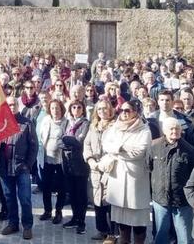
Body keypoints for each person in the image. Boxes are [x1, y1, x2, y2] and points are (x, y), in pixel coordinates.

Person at [101, 99, 151, 244]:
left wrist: (117, 149)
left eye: (127, 110)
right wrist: (122, 147)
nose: (123, 113)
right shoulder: (115, 127)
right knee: (121, 219)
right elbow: (106, 145)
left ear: (135, 112)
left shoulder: (144, 130)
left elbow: (138, 153)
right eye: (121, 110)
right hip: (117, 177)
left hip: (135, 179)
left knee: (138, 219)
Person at [147, 117, 194, 244]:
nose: (174, 131)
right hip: (160, 199)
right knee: (161, 234)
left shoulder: (189, 150)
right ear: (164, 130)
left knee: (185, 236)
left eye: (177, 128)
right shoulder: (154, 146)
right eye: (171, 128)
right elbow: (148, 167)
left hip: (182, 200)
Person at [0, 95, 38, 240]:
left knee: (25, 198)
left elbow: (34, 146)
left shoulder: (26, 123)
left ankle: (27, 226)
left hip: (21, 167)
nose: (11, 107)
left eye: (14, 104)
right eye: (8, 105)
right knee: (9, 198)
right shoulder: (0, 124)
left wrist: (28, 164)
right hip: (4, 167)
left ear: (18, 106)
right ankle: (13, 223)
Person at [85, 100, 116, 241]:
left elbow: (116, 147)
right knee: (97, 201)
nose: (102, 112)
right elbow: (87, 145)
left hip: (110, 169)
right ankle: (101, 229)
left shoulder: (116, 126)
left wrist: (105, 163)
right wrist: (90, 160)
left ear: (110, 110)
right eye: (99, 109)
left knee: (111, 202)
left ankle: (113, 233)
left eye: (105, 109)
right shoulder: (93, 127)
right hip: (95, 169)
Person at [61, 99, 90, 234]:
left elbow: (79, 142)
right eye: (74, 107)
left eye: (79, 107)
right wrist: (69, 141)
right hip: (68, 162)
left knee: (81, 193)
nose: (76, 110)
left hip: (81, 163)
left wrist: (69, 140)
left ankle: (81, 221)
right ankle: (74, 217)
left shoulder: (85, 124)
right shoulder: (67, 122)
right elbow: (61, 139)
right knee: (71, 192)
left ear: (83, 109)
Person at [37, 99, 67, 223]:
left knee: (61, 187)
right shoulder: (46, 120)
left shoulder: (66, 122)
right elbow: (42, 137)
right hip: (46, 157)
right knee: (46, 185)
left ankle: (59, 211)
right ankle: (47, 210)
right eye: (53, 108)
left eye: (57, 107)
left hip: (60, 159)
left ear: (62, 108)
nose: (55, 110)